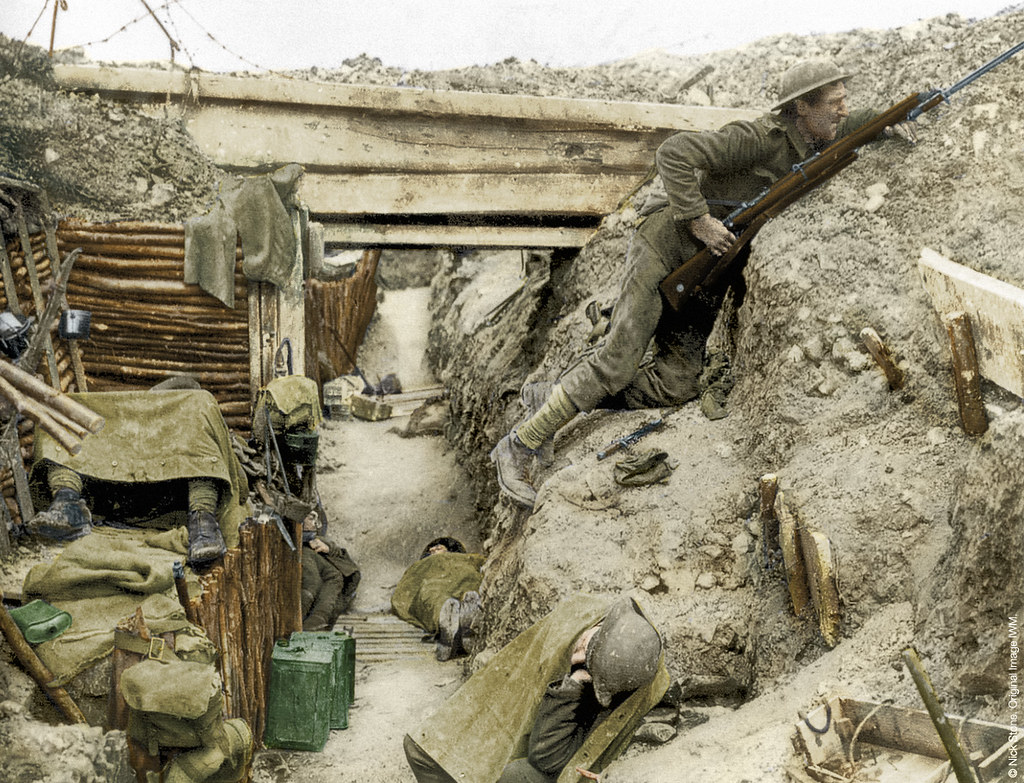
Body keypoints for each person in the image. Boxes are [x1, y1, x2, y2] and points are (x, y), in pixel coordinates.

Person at [491, 59, 911, 509]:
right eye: (834, 102)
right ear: (801, 109)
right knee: (618, 361)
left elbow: (856, 123)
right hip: (667, 245)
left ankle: (560, 393)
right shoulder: (755, 140)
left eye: (844, 99)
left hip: (708, 272)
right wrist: (699, 220)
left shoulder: (814, 139)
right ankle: (521, 442)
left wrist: (894, 119)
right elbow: (674, 153)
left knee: (679, 384)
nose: (843, 109)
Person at [404, 594, 668, 783]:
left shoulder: (625, 676)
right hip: (527, 708)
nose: (579, 650)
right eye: (587, 642)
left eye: (587, 654)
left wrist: (573, 684)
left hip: (553, 741)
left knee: (513, 774)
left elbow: (547, 759)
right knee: (426, 750)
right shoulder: (583, 612)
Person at [25, 384, 250, 571]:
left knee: (199, 411)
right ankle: (67, 503)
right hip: (114, 495)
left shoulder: (192, 410)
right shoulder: (141, 416)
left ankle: (203, 520)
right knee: (61, 411)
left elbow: (235, 480)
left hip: (173, 497)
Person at [391, 537, 485, 661]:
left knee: (468, 588)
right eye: (431, 550)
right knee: (433, 594)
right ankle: (451, 618)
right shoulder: (423, 564)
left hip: (463, 577)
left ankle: (458, 620)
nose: (433, 549)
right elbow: (410, 583)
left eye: (438, 548)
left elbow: (484, 562)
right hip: (436, 583)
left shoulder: (465, 558)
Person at [300, 508, 361, 631]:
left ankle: (317, 622)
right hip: (293, 547)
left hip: (306, 544)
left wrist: (326, 547)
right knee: (312, 582)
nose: (315, 523)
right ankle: (298, 625)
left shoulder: (315, 533)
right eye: (311, 518)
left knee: (335, 575)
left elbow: (331, 546)